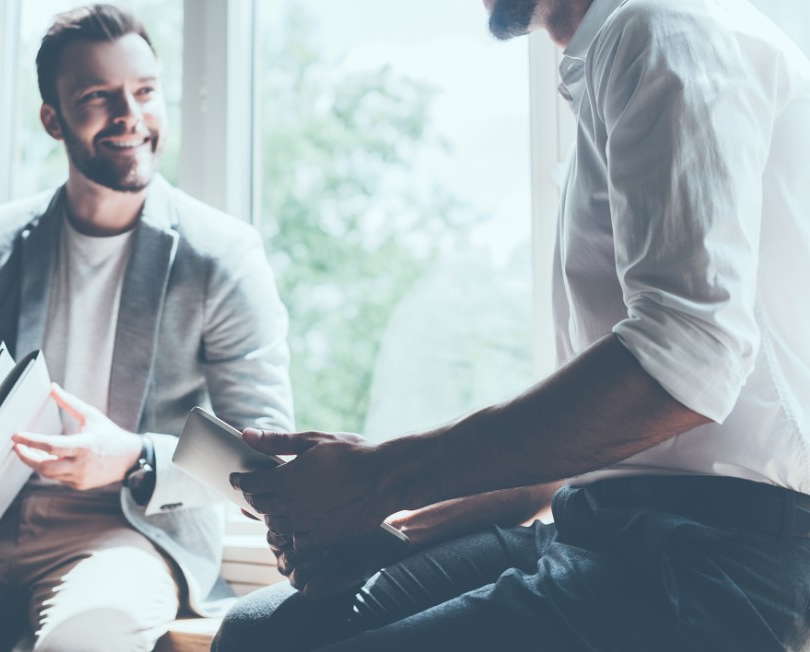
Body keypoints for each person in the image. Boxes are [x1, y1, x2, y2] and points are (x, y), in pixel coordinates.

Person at [213, 0, 810, 650]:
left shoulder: (665, 27)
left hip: (709, 559)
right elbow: (592, 441)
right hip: (607, 525)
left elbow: (683, 368)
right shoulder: (623, 49)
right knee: (260, 633)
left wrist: (380, 477)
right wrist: (392, 518)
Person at [0, 4, 293, 651]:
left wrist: (133, 455)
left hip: (126, 538)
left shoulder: (221, 256)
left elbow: (262, 461)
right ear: (53, 118)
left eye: (144, 92)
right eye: (99, 97)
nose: (130, 116)